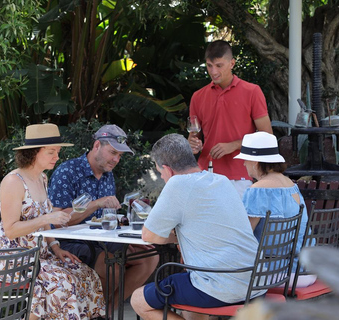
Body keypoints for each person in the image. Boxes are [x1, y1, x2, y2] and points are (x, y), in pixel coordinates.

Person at [131, 134, 264, 320]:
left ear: (167, 170)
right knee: (190, 282)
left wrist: (175, 235)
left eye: (160, 172)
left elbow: (150, 235)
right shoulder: (221, 181)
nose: (161, 177)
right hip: (255, 283)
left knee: (138, 300)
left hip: (222, 286)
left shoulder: (178, 184)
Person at [0, 123, 105, 320]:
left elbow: (44, 222)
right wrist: (46, 218)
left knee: (86, 274)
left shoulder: (42, 178)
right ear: (33, 153)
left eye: (58, 152)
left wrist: (56, 248)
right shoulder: (13, 182)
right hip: (16, 259)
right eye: (51, 152)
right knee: (63, 281)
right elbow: (10, 230)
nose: (57, 157)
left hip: (40, 256)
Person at [48, 124, 159, 306]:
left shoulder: (108, 174)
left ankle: (106, 311)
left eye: (120, 156)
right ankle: (96, 312)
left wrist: (123, 234)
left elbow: (106, 218)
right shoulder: (67, 171)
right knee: (112, 268)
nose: (116, 159)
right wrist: (97, 203)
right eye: (113, 152)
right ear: (97, 145)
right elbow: (58, 220)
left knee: (150, 257)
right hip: (69, 241)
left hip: (100, 239)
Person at [188, 40, 273, 197]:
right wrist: (193, 144)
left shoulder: (252, 92)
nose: (213, 71)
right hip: (205, 175)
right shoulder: (197, 97)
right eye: (209, 65)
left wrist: (233, 146)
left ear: (232, 63)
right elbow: (194, 137)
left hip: (240, 177)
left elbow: (267, 138)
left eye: (219, 65)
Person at [234, 131, 316, 287]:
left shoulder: (257, 190)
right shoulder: (292, 185)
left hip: (279, 274)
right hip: (307, 270)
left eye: (245, 159)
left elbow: (243, 235)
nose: (244, 164)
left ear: (255, 163)